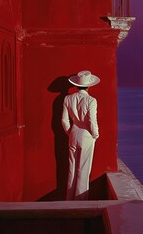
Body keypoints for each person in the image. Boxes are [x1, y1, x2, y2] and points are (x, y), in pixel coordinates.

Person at [61, 70, 100, 200]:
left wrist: (70, 132)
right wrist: (95, 135)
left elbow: (64, 120)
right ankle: (80, 202)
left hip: (73, 134)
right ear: (89, 86)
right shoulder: (91, 100)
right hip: (87, 135)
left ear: (76, 84)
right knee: (83, 170)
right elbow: (91, 121)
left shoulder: (68, 98)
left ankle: (69, 200)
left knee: (72, 169)